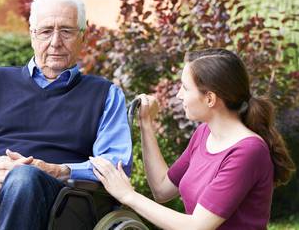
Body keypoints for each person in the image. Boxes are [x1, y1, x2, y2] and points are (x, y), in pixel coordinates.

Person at [0, 0, 132, 230]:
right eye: (45, 31)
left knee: (23, 177)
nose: (55, 42)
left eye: (66, 31)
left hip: (60, 204)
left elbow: (116, 165)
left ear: (83, 37)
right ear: (32, 36)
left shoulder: (105, 94)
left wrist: (59, 170)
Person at [90, 48, 296, 230]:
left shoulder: (247, 151)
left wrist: (128, 196)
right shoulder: (204, 134)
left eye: (185, 88)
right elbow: (162, 189)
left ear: (210, 99)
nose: (179, 95)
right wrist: (146, 124)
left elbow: (197, 226)